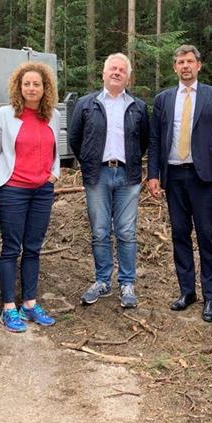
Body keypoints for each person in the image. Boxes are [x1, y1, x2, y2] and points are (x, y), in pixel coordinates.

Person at [147, 45, 212, 322]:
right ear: (174, 67)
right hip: (173, 176)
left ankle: (210, 297)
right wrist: (154, 174)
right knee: (180, 234)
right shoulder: (163, 99)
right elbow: (155, 139)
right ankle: (187, 291)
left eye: (190, 61)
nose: (185, 66)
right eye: (180, 61)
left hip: (203, 177)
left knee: (207, 236)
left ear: (198, 65)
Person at [0, 62, 61, 333]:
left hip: (42, 192)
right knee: (11, 249)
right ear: (18, 87)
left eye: (36, 84)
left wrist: (54, 173)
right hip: (13, 190)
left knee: (33, 248)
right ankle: (8, 308)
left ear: (45, 88)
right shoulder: (5, 115)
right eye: (26, 84)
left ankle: (29, 303)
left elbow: (56, 148)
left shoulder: (52, 115)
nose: (31, 88)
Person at [68, 53, 149, 309]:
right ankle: (102, 281)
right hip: (97, 175)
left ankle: (127, 283)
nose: (116, 72)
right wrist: (89, 162)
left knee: (126, 232)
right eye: (112, 68)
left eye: (122, 70)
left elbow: (144, 140)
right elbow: (75, 138)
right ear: (103, 73)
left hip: (128, 176)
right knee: (100, 231)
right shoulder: (87, 104)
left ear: (128, 77)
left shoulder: (138, 106)